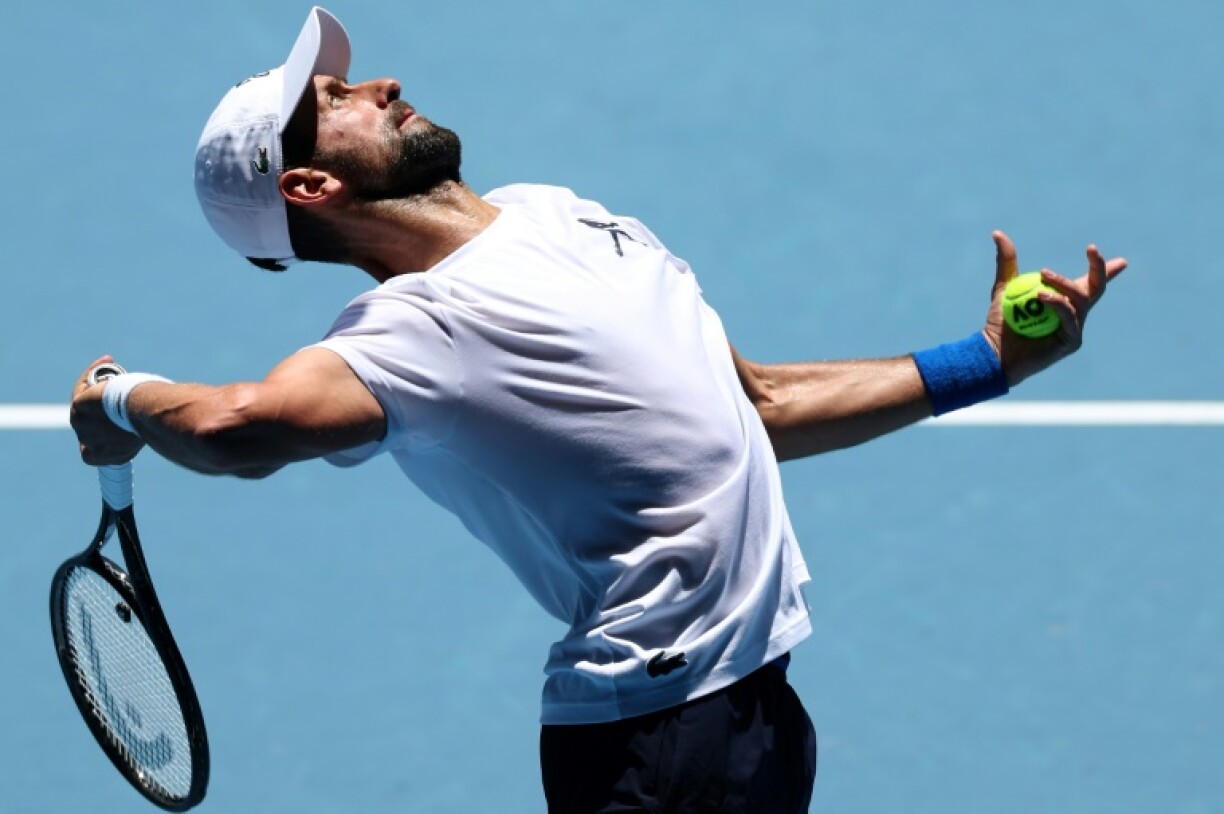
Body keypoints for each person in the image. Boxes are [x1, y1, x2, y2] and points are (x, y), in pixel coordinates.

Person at [69, 7, 1125, 813]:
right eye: (337, 98)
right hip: (661, 737)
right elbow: (235, 424)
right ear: (308, 187)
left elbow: (748, 404)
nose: (380, 84)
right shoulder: (405, 334)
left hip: (751, 708)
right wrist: (117, 395)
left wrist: (983, 361)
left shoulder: (555, 211)